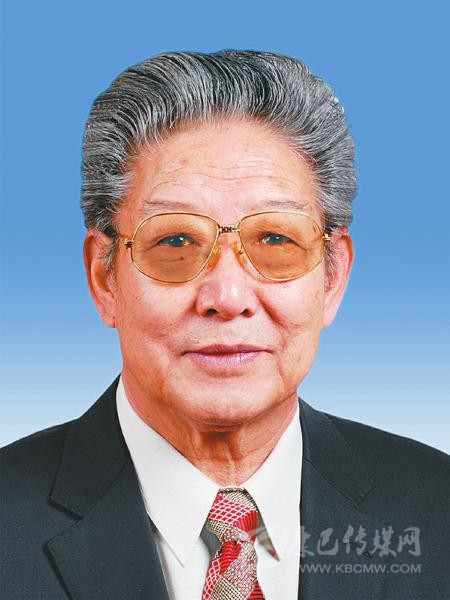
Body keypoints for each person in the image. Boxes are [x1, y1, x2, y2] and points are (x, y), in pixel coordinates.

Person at [1, 50, 449, 600]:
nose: (228, 298)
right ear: (104, 278)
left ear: (332, 278)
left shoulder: (439, 510)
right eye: (175, 241)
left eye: (276, 240)